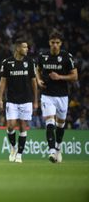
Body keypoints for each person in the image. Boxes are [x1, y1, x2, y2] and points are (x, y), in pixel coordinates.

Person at [36, 29, 78, 163]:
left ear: (61, 44)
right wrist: (38, 80)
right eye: (52, 42)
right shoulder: (43, 56)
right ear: (49, 43)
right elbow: (37, 69)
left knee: (60, 125)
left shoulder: (67, 57)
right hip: (47, 95)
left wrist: (59, 77)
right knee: (49, 122)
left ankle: (58, 147)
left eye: (57, 42)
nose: (55, 45)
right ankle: (52, 151)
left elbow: (75, 76)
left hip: (62, 96)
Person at [0, 38, 38, 163]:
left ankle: (19, 154)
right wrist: (0, 98)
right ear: (17, 48)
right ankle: (13, 147)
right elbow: (2, 81)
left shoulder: (30, 62)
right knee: (10, 126)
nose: (27, 49)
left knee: (22, 127)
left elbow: (34, 82)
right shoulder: (7, 63)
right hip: (11, 100)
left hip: (26, 100)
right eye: (25, 47)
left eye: (27, 47)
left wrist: (35, 100)